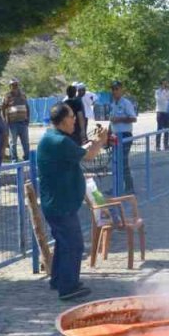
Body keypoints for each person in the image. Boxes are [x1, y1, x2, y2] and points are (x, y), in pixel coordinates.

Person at [36, 102, 108, 301]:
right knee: (74, 245)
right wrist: (100, 141)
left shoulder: (53, 139)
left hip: (56, 203)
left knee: (63, 242)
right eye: (71, 117)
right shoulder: (60, 142)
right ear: (62, 120)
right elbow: (90, 155)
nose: (75, 120)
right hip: (61, 205)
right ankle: (68, 288)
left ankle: (58, 279)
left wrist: (92, 141)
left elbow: (78, 152)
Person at [108, 80, 137, 193]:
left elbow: (133, 118)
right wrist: (108, 134)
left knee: (123, 162)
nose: (114, 91)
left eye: (116, 89)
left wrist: (119, 119)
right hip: (115, 135)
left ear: (121, 90)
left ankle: (129, 187)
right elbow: (111, 120)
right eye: (113, 89)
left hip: (125, 136)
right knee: (116, 162)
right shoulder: (113, 104)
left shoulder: (126, 103)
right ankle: (117, 187)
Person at [1, 78, 31, 161]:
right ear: (10, 86)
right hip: (12, 123)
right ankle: (14, 159)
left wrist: (28, 118)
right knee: (13, 143)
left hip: (23, 122)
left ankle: (27, 158)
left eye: (16, 85)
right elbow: (3, 108)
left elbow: (27, 107)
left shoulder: (23, 95)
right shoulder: (7, 96)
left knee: (25, 142)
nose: (14, 86)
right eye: (13, 85)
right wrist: (4, 120)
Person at [154, 80, 169, 151]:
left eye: (166, 84)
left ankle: (166, 145)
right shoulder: (157, 91)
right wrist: (165, 95)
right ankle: (157, 146)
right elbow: (160, 100)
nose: (165, 85)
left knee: (167, 129)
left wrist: (167, 93)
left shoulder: (168, 91)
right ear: (161, 84)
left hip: (167, 112)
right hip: (160, 112)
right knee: (159, 129)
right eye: (164, 84)